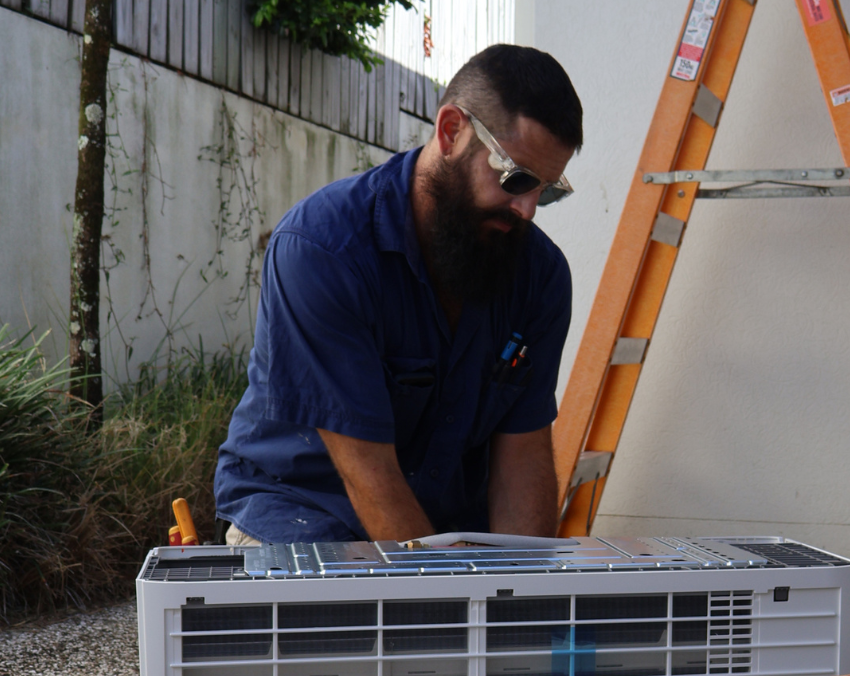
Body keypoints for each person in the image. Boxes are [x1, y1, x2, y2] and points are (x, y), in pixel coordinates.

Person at [213, 44, 582, 545]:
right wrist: (443, 608)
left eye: (548, 190)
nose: (527, 209)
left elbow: (523, 455)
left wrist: (526, 599)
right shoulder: (323, 249)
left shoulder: (541, 275)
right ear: (451, 131)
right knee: (361, 620)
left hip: (445, 533)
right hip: (304, 514)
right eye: (515, 177)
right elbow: (369, 474)